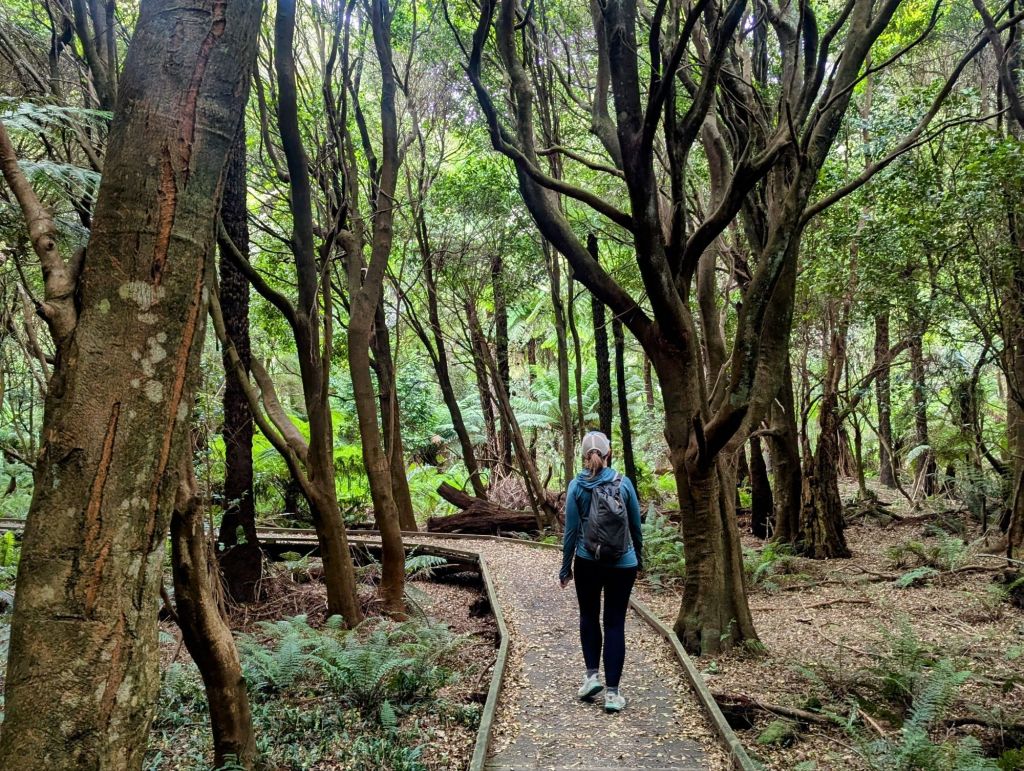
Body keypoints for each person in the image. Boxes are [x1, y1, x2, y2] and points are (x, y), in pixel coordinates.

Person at [559, 430, 643, 713]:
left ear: (585, 456)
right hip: (623, 563)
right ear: (609, 454)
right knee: (615, 624)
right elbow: (635, 527)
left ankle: (592, 676)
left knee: (589, 616)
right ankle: (612, 694)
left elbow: (570, 532)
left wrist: (565, 567)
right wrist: (638, 558)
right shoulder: (624, 483)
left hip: (587, 562)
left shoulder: (576, 486)